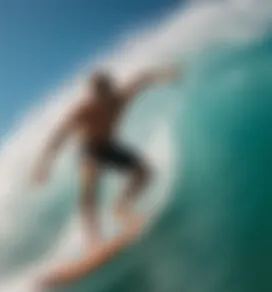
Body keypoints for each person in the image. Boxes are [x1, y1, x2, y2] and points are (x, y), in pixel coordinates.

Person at [32, 65, 179, 249]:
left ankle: (121, 207)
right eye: (94, 93)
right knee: (89, 188)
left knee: (145, 173)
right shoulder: (84, 110)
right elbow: (59, 136)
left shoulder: (120, 98)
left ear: (109, 88)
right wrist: (43, 164)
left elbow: (143, 77)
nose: (97, 97)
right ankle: (93, 239)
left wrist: (165, 75)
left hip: (108, 147)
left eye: (101, 91)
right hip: (90, 150)